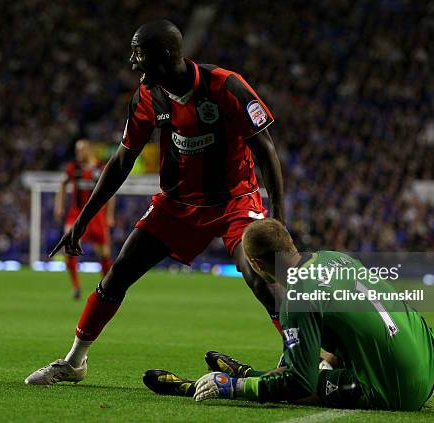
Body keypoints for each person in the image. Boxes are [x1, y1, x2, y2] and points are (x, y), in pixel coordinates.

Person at [25, 20, 284, 384]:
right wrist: (83, 219)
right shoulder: (147, 96)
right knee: (118, 274)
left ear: (164, 55)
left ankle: (307, 356)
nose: (132, 62)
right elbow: (121, 161)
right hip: (176, 205)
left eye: (138, 53)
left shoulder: (225, 85)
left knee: (261, 275)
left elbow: (266, 148)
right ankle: (74, 362)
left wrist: (279, 217)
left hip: (234, 202)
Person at [143, 218, 434, 411]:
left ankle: (208, 384)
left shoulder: (296, 296)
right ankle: (245, 372)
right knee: (316, 362)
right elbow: (355, 327)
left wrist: (235, 387)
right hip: (427, 361)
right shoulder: (336, 258)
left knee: (297, 386)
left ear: (257, 265)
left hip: (399, 390)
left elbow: (299, 384)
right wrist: (319, 361)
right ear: (290, 243)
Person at [55, 139, 115, 299]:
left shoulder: (101, 168)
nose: (78, 154)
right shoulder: (73, 168)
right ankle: (76, 287)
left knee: (104, 253)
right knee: (69, 247)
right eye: (76, 151)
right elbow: (62, 184)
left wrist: (109, 215)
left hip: (97, 216)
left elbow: (111, 191)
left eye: (81, 150)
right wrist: (59, 206)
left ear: (89, 150)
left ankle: (107, 287)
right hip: (76, 214)